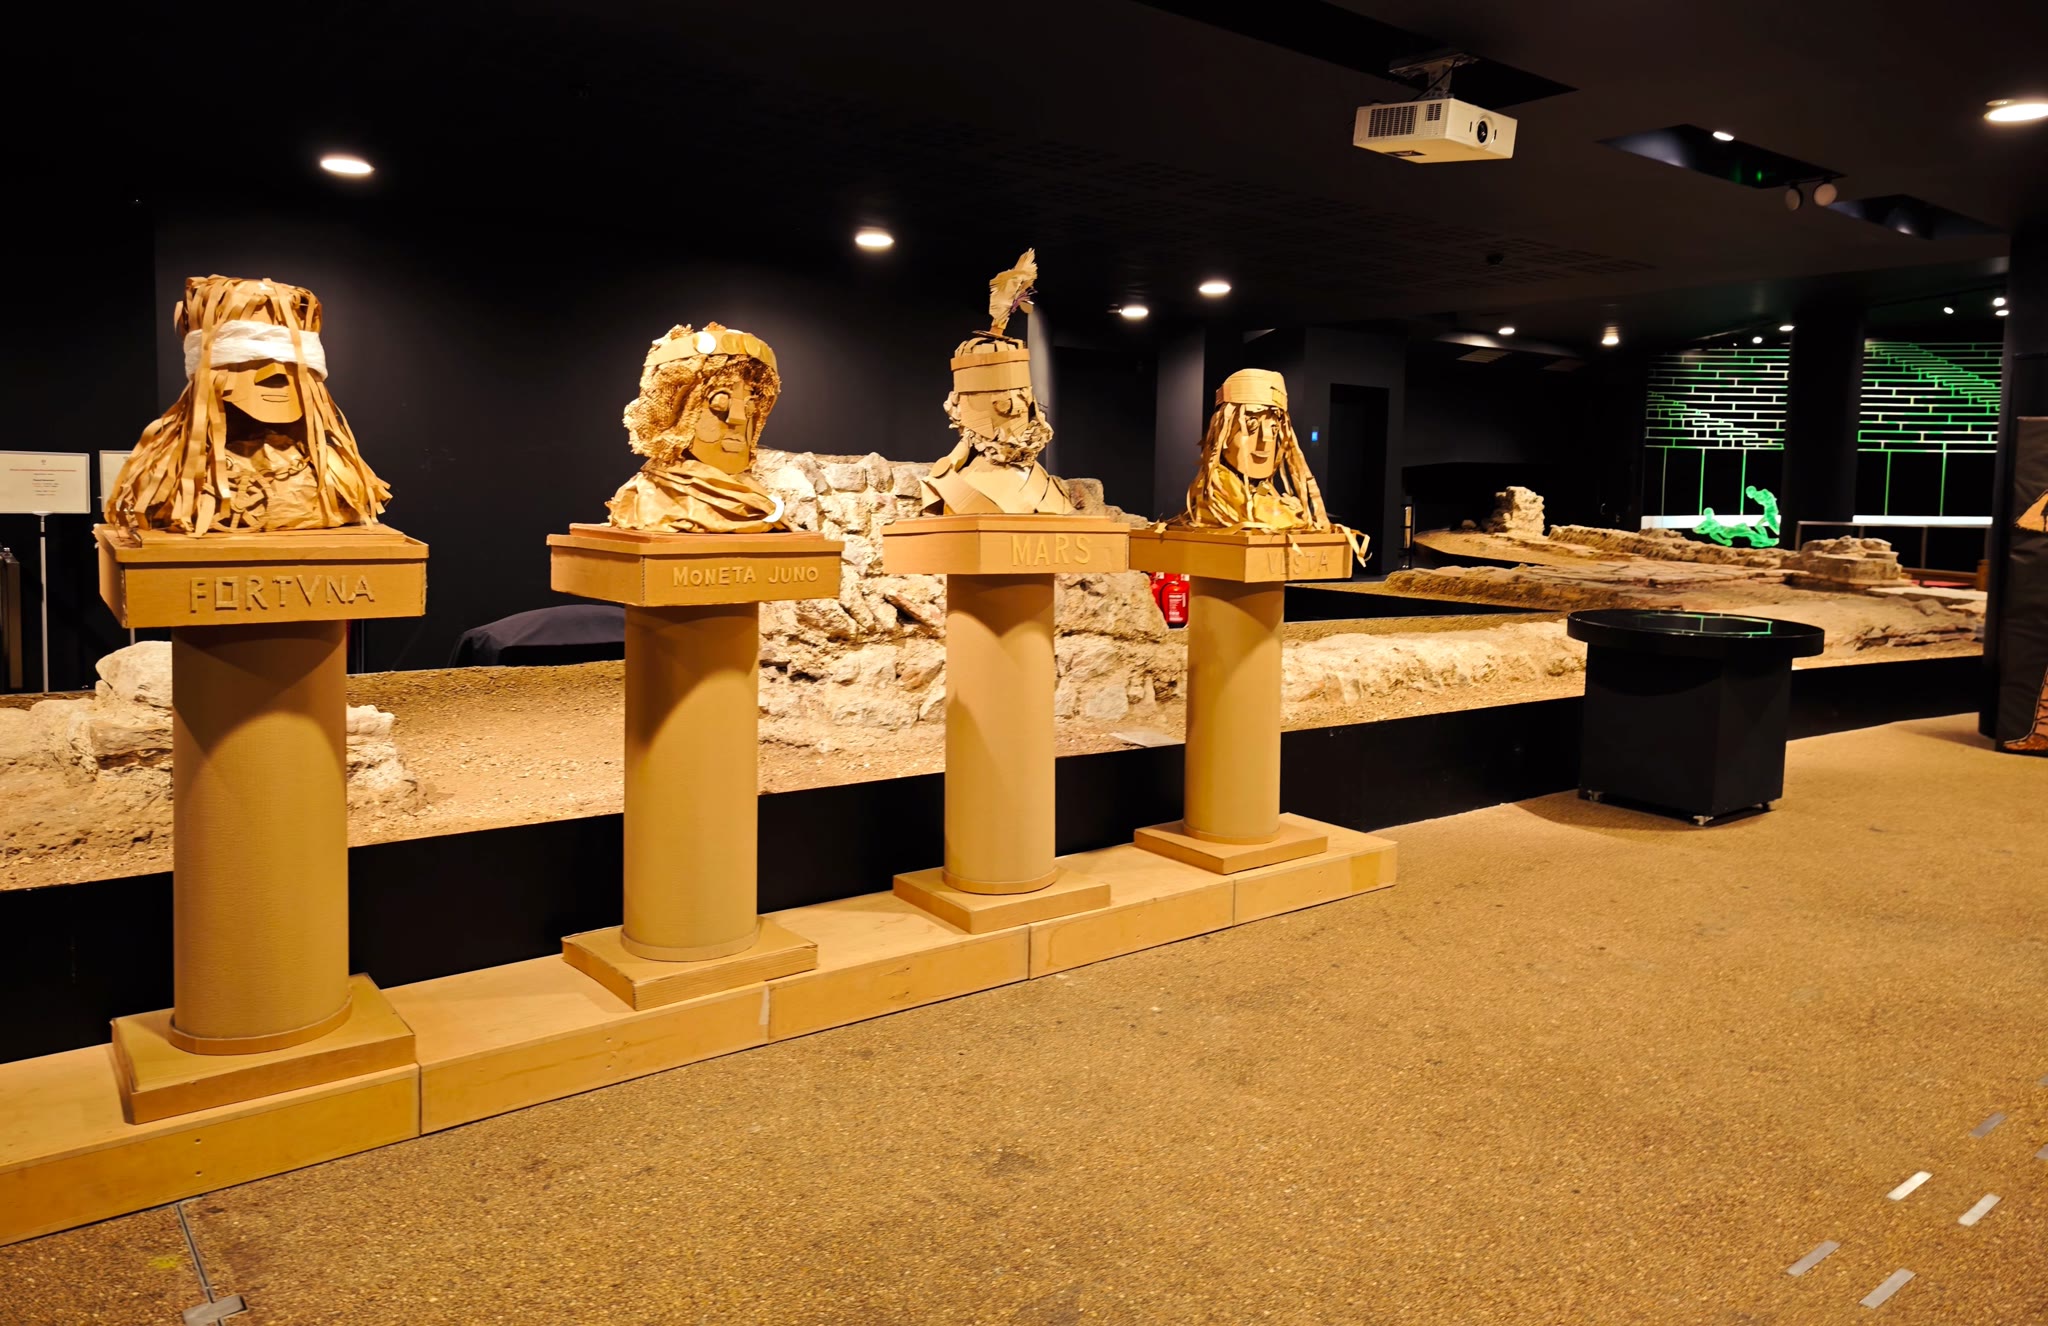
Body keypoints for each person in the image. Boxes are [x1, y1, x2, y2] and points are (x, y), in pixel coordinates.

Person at [106, 275, 388, 534]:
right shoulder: (170, 479)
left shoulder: (341, 479)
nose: (276, 375)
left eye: (289, 364)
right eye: (252, 361)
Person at [606, 323, 788, 533]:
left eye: (750, 405)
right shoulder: (649, 499)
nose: (737, 419)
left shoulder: (758, 501)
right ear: (678, 411)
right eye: (720, 400)